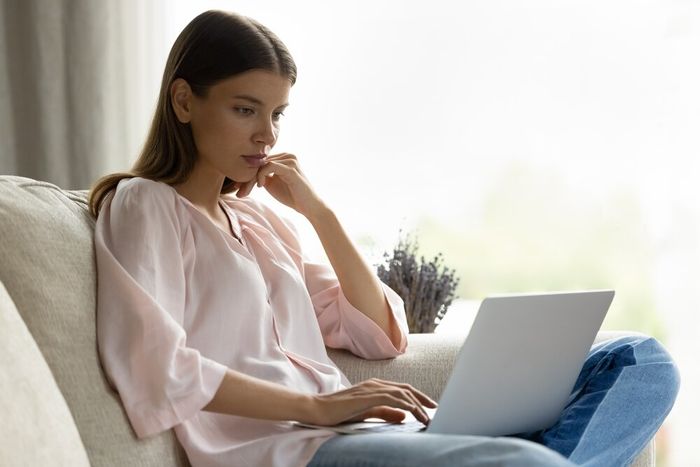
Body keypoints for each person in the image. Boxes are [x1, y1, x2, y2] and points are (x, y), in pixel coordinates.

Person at [88, 10, 680, 467]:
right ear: (185, 100)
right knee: (520, 461)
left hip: (370, 433)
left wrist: (319, 214)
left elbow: (379, 336)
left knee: (640, 362)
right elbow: (154, 367)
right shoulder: (146, 206)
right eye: (246, 110)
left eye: (278, 114)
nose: (266, 134)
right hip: (292, 451)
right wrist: (315, 406)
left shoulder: (263, 226)